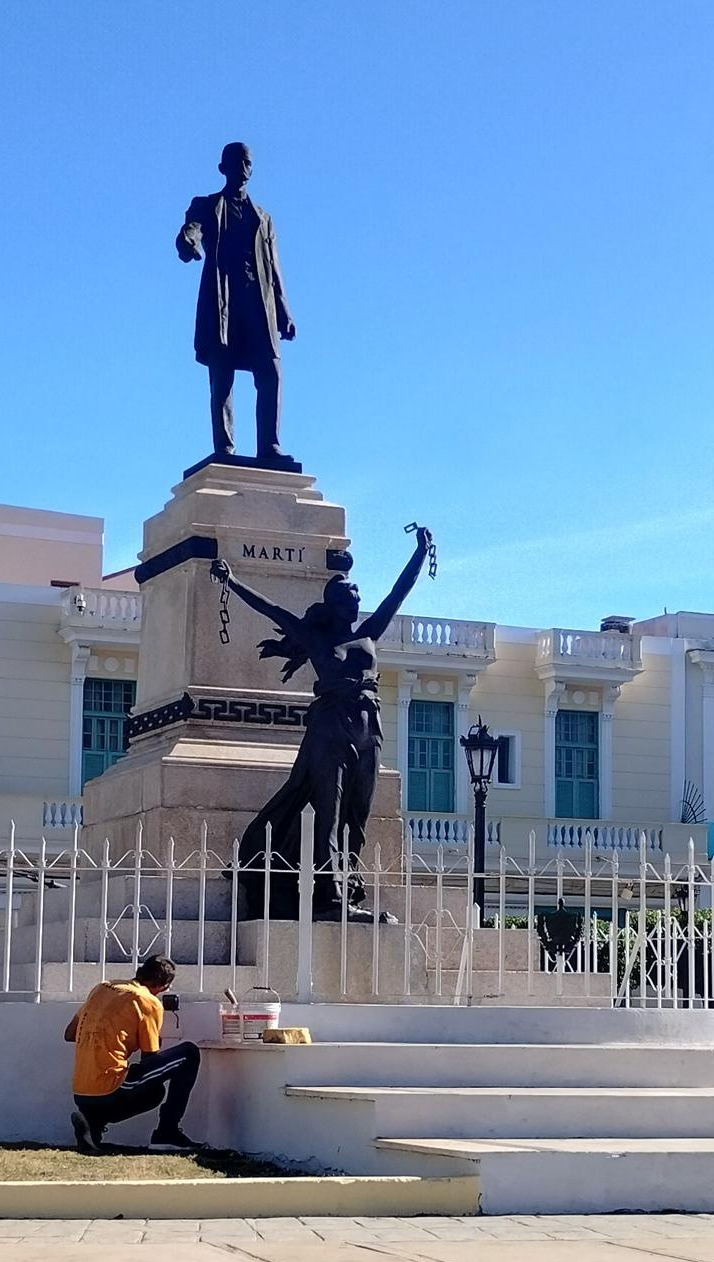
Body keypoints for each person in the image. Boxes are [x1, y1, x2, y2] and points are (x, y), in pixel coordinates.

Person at [209, 525, 433, 918]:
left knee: (357, 812)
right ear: (332, 605)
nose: (358, 597)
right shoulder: (317, 640)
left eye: (358, 592)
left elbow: (399, 591)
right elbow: (272, 611)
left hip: (369, 725)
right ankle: (330, 898)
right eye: (350, 594)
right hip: (332, 726)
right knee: (329, 812)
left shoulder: (369, 634)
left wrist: (420, 551)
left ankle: (348, 883)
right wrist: (233, 581)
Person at [177, 141, 295, 464]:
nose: (242, 168)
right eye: (236, 162)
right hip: (223, 301)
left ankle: (269, 445)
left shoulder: (264, 219)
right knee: (222, 374)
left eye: (247, 163)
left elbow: (274, 265)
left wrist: (283, 308)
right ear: (222, 168)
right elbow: (193, 229)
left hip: (259, 303)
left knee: (270, 371)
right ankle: (225, 447)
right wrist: (188, 241)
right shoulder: (206, 205)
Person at [66, 956, 203, 1154]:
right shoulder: (147, 1001)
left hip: (81, 1092)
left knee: (154, 1093)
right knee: (188, 1055)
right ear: (164, 986)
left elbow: (70, 1034)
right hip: (111, 1088)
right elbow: (150, 1059)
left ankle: (92, 1125)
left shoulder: (102, 988)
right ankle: (167, 1132)